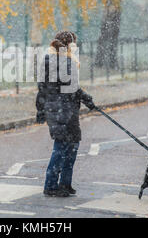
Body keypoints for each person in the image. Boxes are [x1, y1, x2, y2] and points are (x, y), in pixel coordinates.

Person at [36, 31, 97, 197]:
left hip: (55, 110)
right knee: (66, 148)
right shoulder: (65, 62)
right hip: (65, 111)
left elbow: (41, 89)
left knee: (66, 147)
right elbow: (73, 88)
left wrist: (41, 110)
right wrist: (88, 100)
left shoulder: (48, 61)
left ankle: (62, 184)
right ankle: (53, 185)